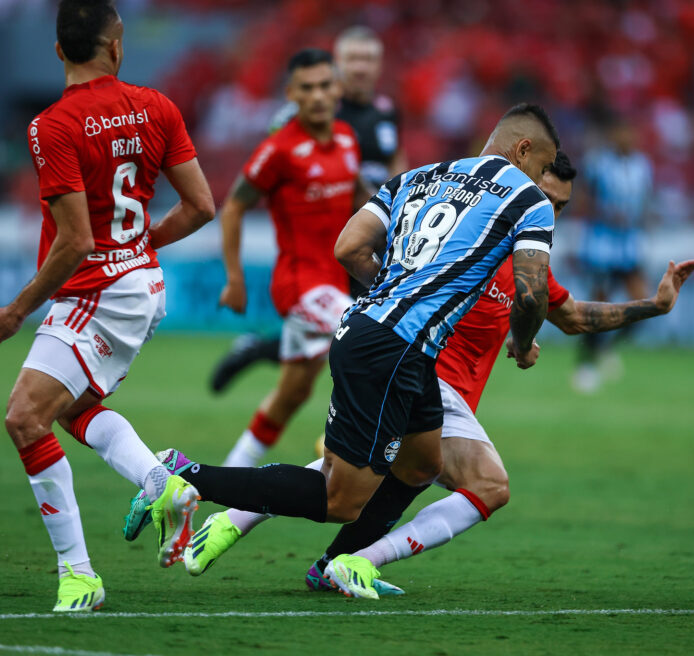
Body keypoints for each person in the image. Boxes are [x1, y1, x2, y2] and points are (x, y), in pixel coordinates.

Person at [141, 152, 694, 596]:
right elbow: (375, 258)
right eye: (547, 197)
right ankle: (332, 551)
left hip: (412, 374)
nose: (550, 211)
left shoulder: (526, 256)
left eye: (560, 205)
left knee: (407, 467)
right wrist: (519, 342)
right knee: (482, 484)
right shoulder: (472, 243)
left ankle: (269, 533)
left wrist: (654, 305)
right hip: (418, 369)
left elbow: (573, 314)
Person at [124, 102, 561, 598]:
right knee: (341, 498)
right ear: (523, 149)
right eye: (543, 165)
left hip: (383, 338)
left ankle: (338, 565)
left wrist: (395, 293)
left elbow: (348, 247)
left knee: (422, 464)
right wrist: (523, 345)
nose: (543, 178)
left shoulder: (417, 177)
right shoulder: (529, 200)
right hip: (394, 350)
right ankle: (183, 472)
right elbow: (530, 292)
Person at [1, 0, 214, 612]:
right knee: (73, 412)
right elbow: (200, 206)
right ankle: (160, 483)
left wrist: (15, 311)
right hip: (140, 285)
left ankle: (79, 574)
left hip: (97, 293)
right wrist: (142, 245)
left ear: (59, 51)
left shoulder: (53, 126)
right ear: (116, 47)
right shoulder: (158, 106)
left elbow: (75, 242)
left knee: (23, 418)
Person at [210, 25, 405, 392]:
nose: (361, 68)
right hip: (328, 244)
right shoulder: (309, 115)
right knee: (364, 337)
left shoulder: (386, 112)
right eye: (353, 59)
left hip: (372, 236)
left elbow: (396, 165)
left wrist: (400, 216)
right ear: (339, 67)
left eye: (369, 59)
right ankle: (355, 431)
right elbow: (278, 168)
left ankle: (261, 349)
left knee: (327, 352)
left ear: (379, 66)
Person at [215, 48, 371, 469]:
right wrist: (234, 278)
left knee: (292, 394)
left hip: (334, 284)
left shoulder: (346, 140)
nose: (318, 95)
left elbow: (361, 197)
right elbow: (233, 206)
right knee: (373, 339)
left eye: (325, 85)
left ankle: (223, 480)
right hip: (299, 286)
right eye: (308, 88)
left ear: (338, 89)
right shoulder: (278, 150)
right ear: (291, 93)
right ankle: (348, 444)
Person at [574, 115, 654, 393]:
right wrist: (609, 215)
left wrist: (645, 217)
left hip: (629, 245)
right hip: (601, 246)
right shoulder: (599, 164)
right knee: (597, 307)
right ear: (613, 135)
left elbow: (645, 200)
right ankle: (584, 365)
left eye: (630, 132)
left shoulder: (643, 166)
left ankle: (606, 348)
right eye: (621, 132)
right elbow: (583, 201)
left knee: (643, 304)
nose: (627, 138)